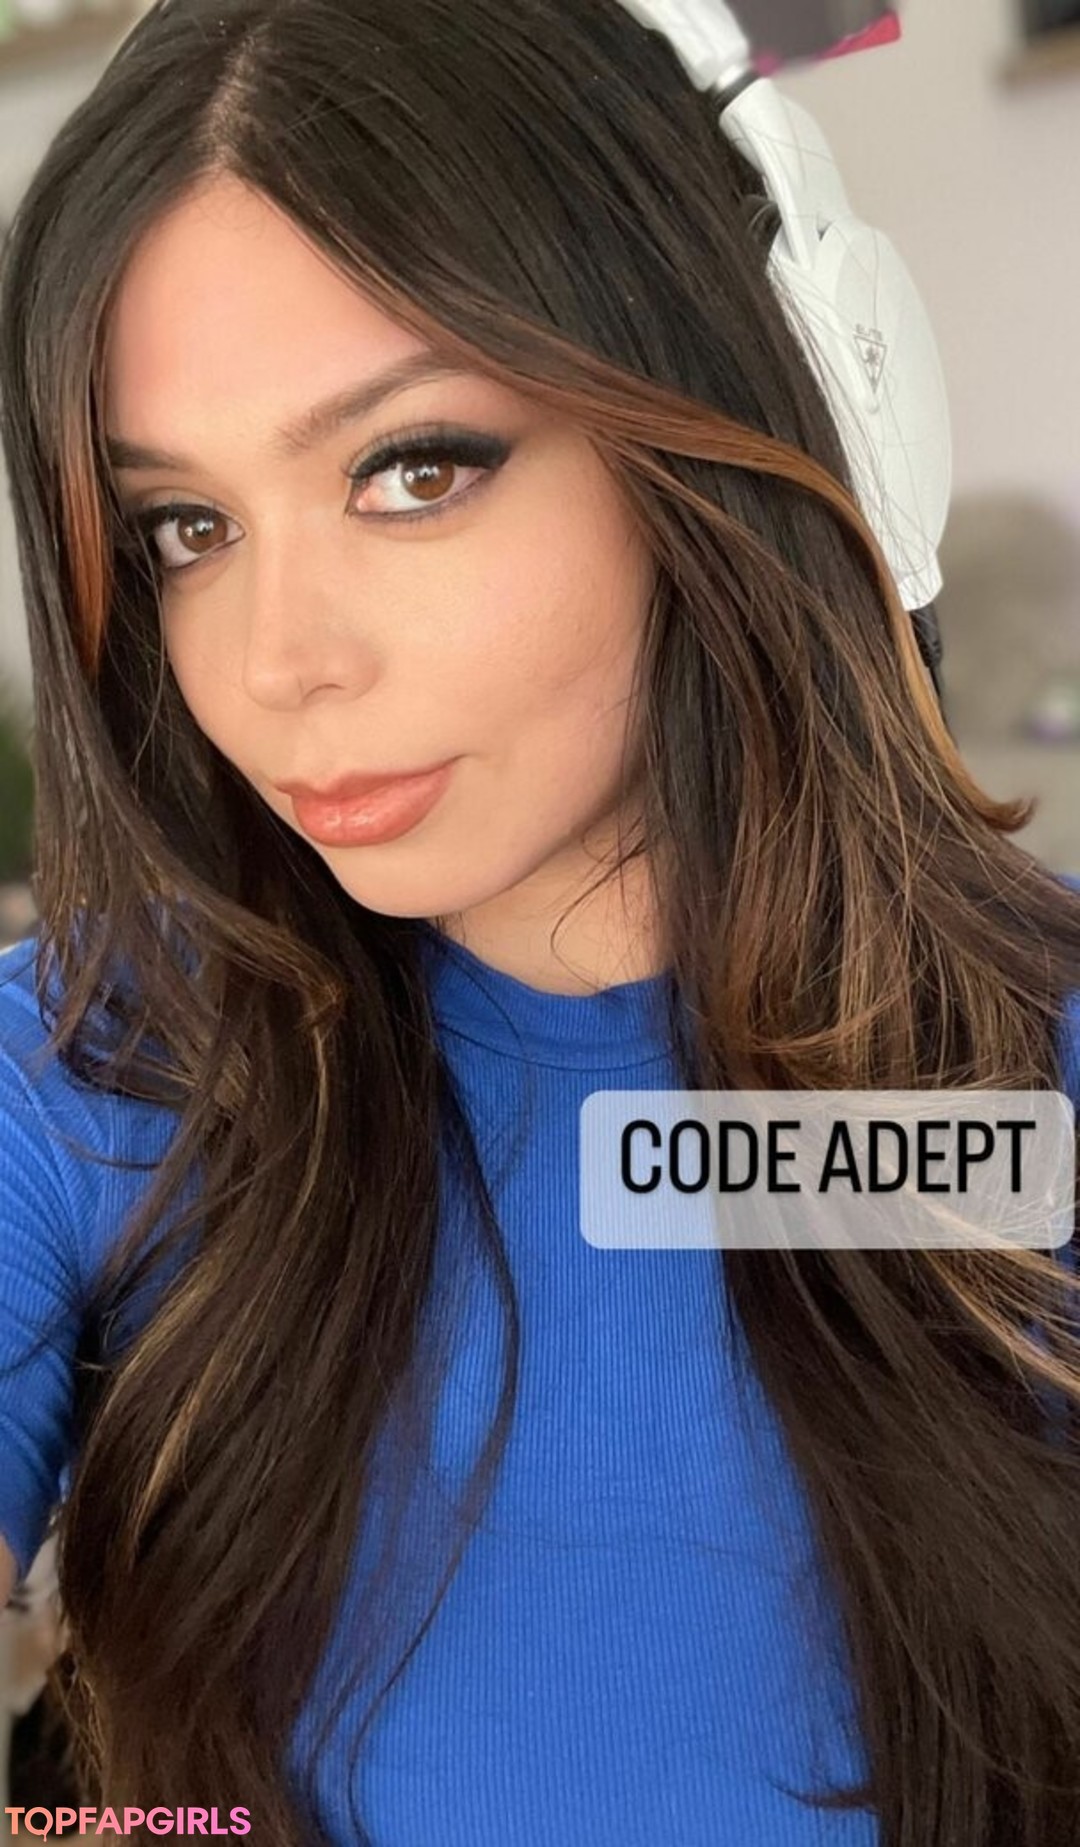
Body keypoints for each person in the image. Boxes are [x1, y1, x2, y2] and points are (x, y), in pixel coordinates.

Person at [0, 2, 1079, 1843]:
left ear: (740, 417)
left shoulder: (1017, 1095)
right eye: (187, 527)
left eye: (413, 468)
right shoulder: (96, 1065)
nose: (276, 664)